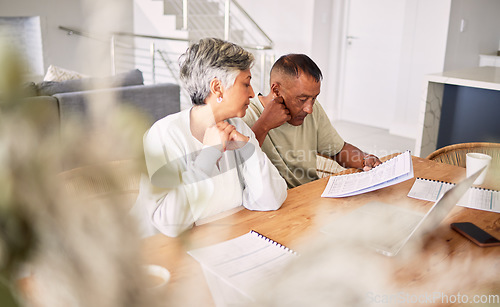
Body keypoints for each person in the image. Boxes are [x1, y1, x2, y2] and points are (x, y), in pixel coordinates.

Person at [133, 38, 287, 237]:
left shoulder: (238, 127)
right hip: (166, 251)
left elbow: (271, 200)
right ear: (217, 88)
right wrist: (208, 155)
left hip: (229, 240)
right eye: (246, 83)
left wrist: (249, 149)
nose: (251, 93)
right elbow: (169, 224)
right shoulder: (164, 134)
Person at [242, 54, 382, 188]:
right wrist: (264, 125)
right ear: (276, 91)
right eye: (302, 100)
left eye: (314, 98)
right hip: (272, 205)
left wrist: (364, 159)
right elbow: (239, 166)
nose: (309, 109)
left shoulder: (312, 109)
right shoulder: (246, 115)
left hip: (308, 197)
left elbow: (338, 150)